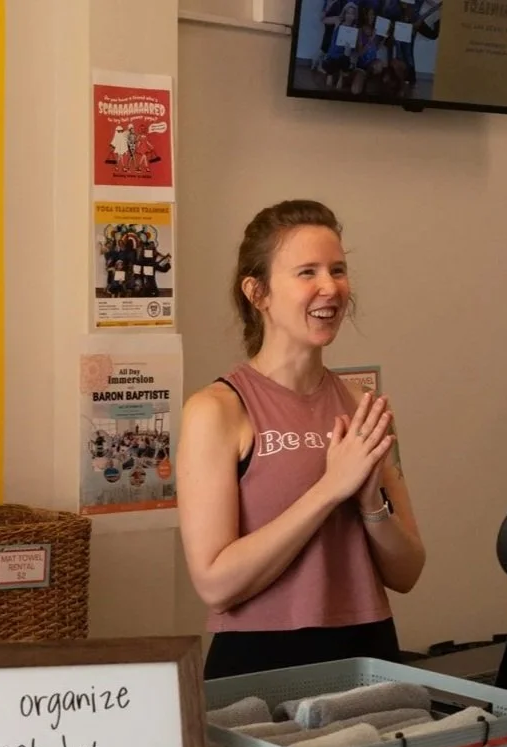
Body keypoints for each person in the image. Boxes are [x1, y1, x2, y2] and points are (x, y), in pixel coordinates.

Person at [178, 199, 425, 680]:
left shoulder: (362, 406)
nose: (329, 287)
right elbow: (215, 583)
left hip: (368, 653)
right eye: (306, 272)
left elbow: (408, 571)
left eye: (338, 269)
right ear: (258, 292)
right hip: (259, 663)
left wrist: (370, 500)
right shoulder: (217, 409)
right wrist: (332, 488)